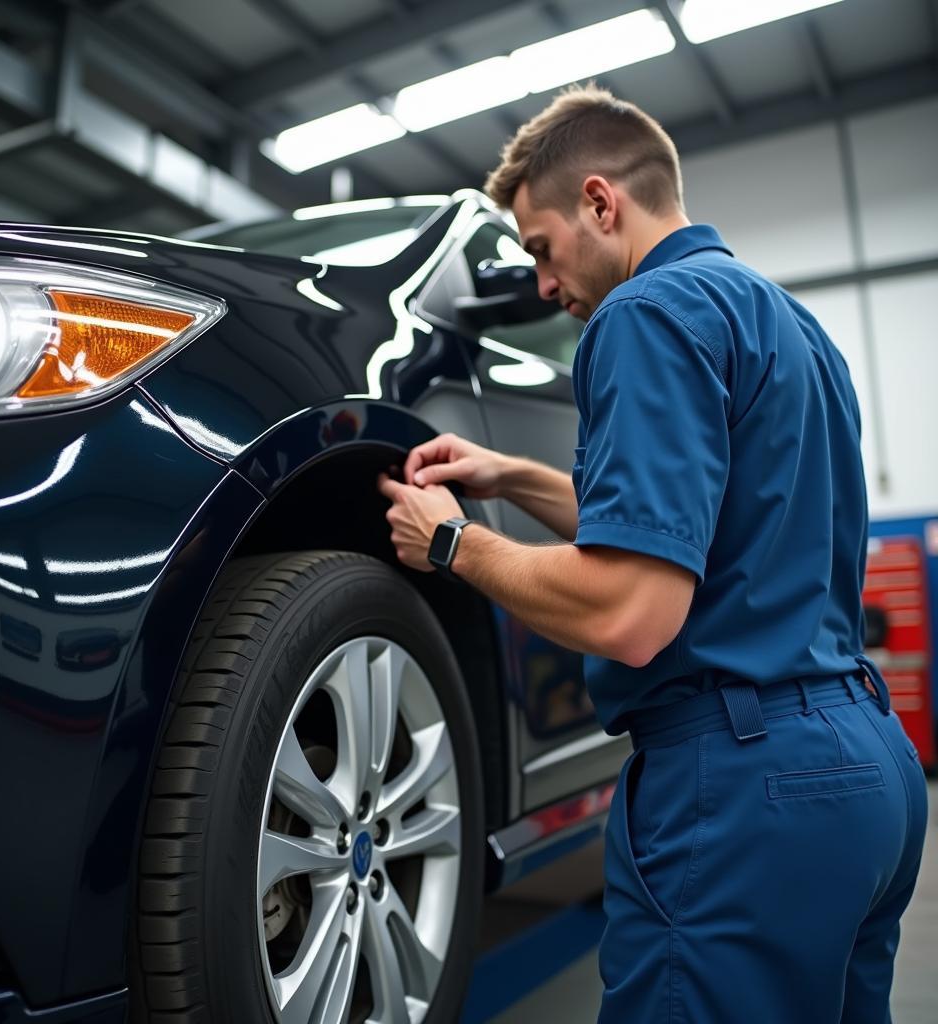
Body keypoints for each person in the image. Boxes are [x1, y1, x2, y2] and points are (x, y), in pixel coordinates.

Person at [377, 84, 928, 1023]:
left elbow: (632, 612)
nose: (545, 287)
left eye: (542, 250)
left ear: (601, 202)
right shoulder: (792, 328)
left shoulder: (644, 316)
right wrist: (511, 477)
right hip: (867, 772)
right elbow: (699, 528)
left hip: (742, 791)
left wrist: (455, 544)